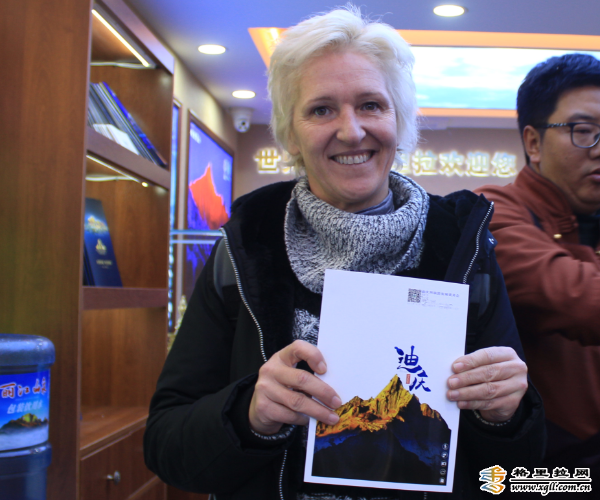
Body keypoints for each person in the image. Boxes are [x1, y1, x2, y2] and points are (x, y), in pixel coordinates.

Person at [144, 7, 544, 499]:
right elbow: (166, 447)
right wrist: (248, 415)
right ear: (291, 133)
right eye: (321, 110)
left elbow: (514, 474)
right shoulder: (244, 251)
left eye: (371, 105)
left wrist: (505, 417)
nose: (351, 131)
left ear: (399, 121)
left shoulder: (465, 251)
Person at [475, 53, 600, 483]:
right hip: (540, 469)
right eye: (583, 131)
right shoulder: (490, 212)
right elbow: (580, 300)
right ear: (533, 143)